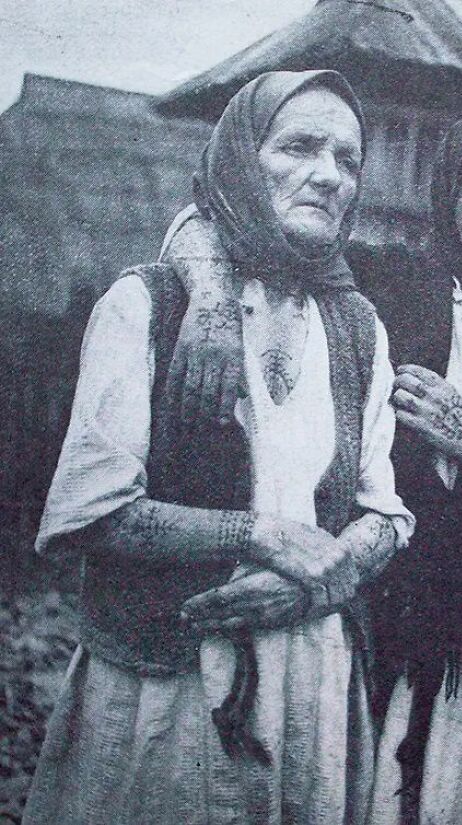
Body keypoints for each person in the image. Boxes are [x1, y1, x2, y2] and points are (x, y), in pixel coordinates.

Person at [168, 106, 462, 825]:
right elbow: (213, 219)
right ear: (447, 197)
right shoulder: (385, 289)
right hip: (360, 654)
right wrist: (208, 301)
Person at [23, 70, 413, 825]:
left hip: (310, 681)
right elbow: (90, 514)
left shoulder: (359, 327)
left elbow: (384, 513)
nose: (328, 175)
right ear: (239, 158)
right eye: (298, 147)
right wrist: (260, 534)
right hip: (166, 687)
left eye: (347, 159)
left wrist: (315, 585)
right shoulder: (149, 304)